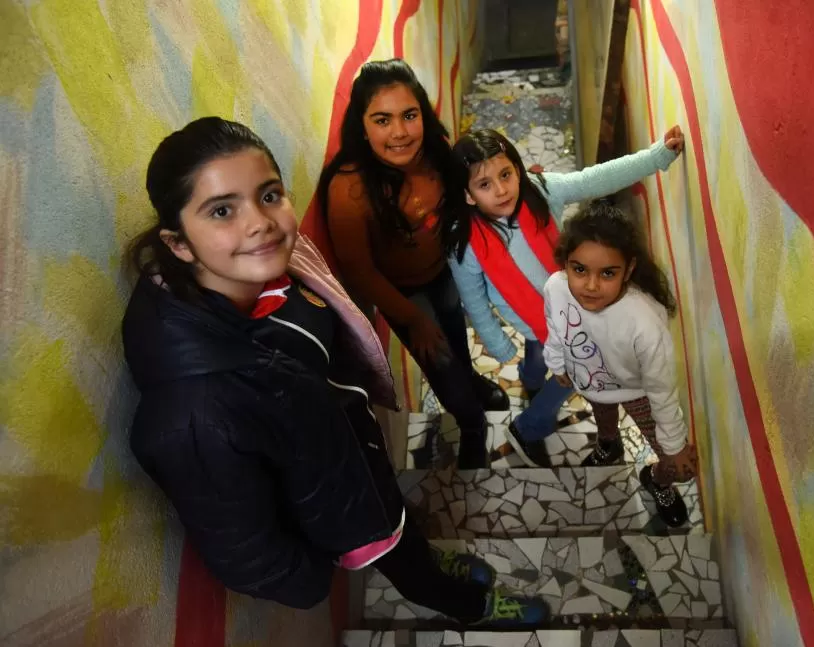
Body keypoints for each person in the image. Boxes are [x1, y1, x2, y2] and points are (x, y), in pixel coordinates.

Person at [122, 117, 548, 625]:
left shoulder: (273, 274)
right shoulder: (196, 414)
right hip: (337, 510)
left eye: (269, 195)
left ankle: (429, 558)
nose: (258, 223)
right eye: (221, 210)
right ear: (178, 244)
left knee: (404, 530)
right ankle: (470, 607)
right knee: (405, 565)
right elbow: (251, 556)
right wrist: (322, 556)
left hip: (351, 457)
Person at [444, 127, 683, 467]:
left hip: (574, 313)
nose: (500, 190)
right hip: (530, 324)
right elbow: (474, 299)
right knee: (539, 355)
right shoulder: (464, 242)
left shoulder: (542, 191)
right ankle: (530, 379)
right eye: (484, 185)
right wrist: (496, 343)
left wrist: (657, 156)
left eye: (506, 174)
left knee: (570, 371)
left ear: (518, 168)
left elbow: (596, 179)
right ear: (468, 195)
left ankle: (529, 425)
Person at [314, 59, 506, 470]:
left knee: (456, 334)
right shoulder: (349, 189)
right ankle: (472, 426)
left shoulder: (436, 153)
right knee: (441, 366)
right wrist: (413, 320)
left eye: (409, 115)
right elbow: (359, 272)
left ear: (423, 114)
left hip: (445, 272)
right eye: (382, 119)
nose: (399, 132)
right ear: (362, 125)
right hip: (403, 296)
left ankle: (474, 381)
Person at [542, 200, 698, 526]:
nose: (591, 285)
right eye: (579, 269)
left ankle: (657, 479)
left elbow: (661, 389)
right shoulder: (556, 288)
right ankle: (609, 445)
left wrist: (672, 446)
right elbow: (556, 326)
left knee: (678, 465)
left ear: (628, 270)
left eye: (608, 273)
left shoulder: (644, 322)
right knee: (603, 414)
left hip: (636, 391)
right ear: (565, 264)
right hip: (591, 381)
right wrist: (556, 363)